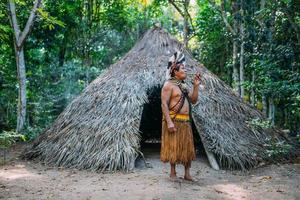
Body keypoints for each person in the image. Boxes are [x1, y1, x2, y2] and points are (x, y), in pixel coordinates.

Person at [160, 51, 201, 181]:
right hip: (174, 121)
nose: (185, 70)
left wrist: (195, 86)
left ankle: (187, 174)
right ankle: (172, 173)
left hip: (185, 122)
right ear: (175, 72)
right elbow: (164, 105)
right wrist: (169, 122)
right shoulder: (168, 85)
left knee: (187, 148)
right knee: (173, 146)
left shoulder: (183, 86)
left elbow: (193, 100)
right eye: (182, 68)